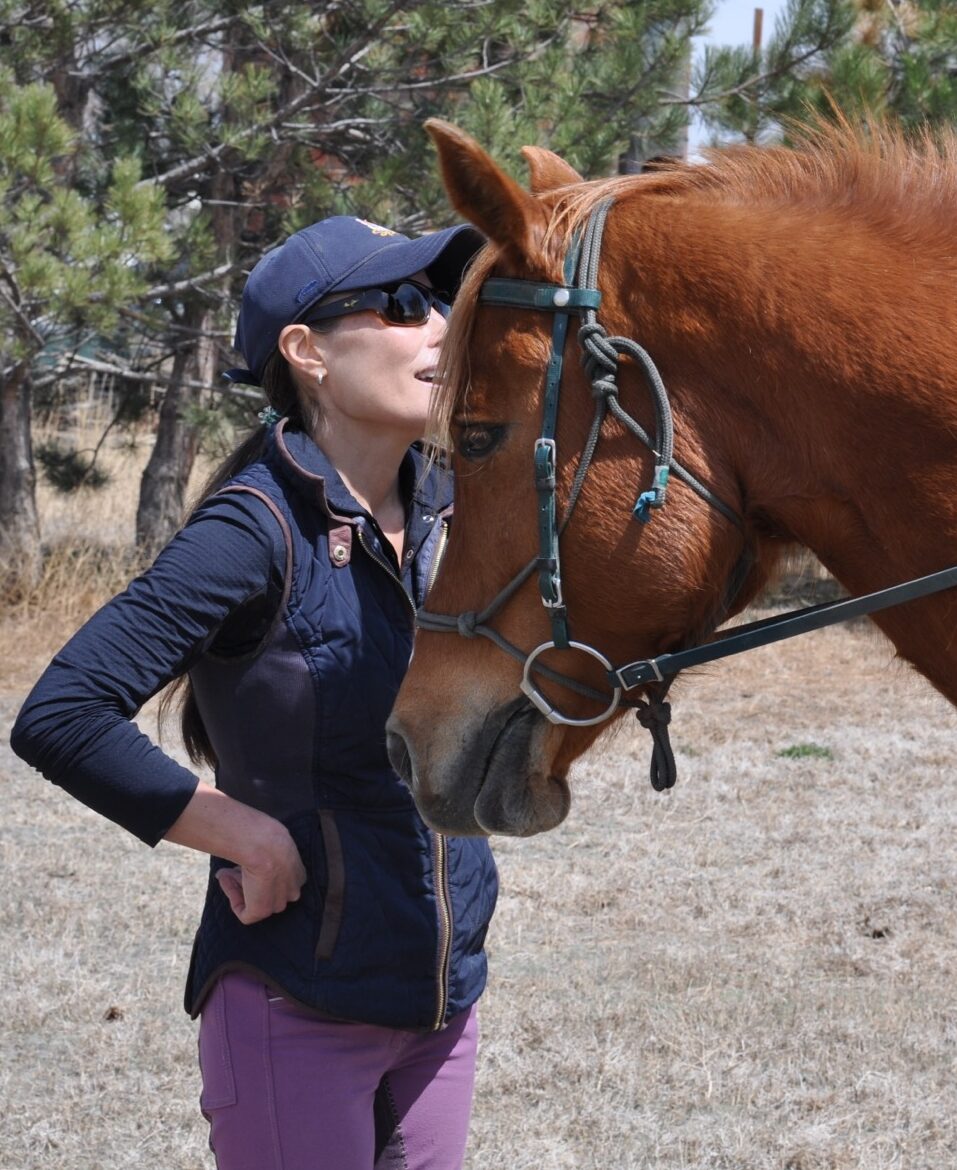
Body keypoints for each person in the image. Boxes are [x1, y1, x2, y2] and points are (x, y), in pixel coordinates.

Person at [11, 214, 498, 1170]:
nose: (440, 324)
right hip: (296, 1006)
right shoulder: (252, 530)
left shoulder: (460, 506)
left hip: (443, 1002)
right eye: (403, 303)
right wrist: (242, 833)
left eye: (441, 299)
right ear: (307, 352)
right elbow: (62, 712)